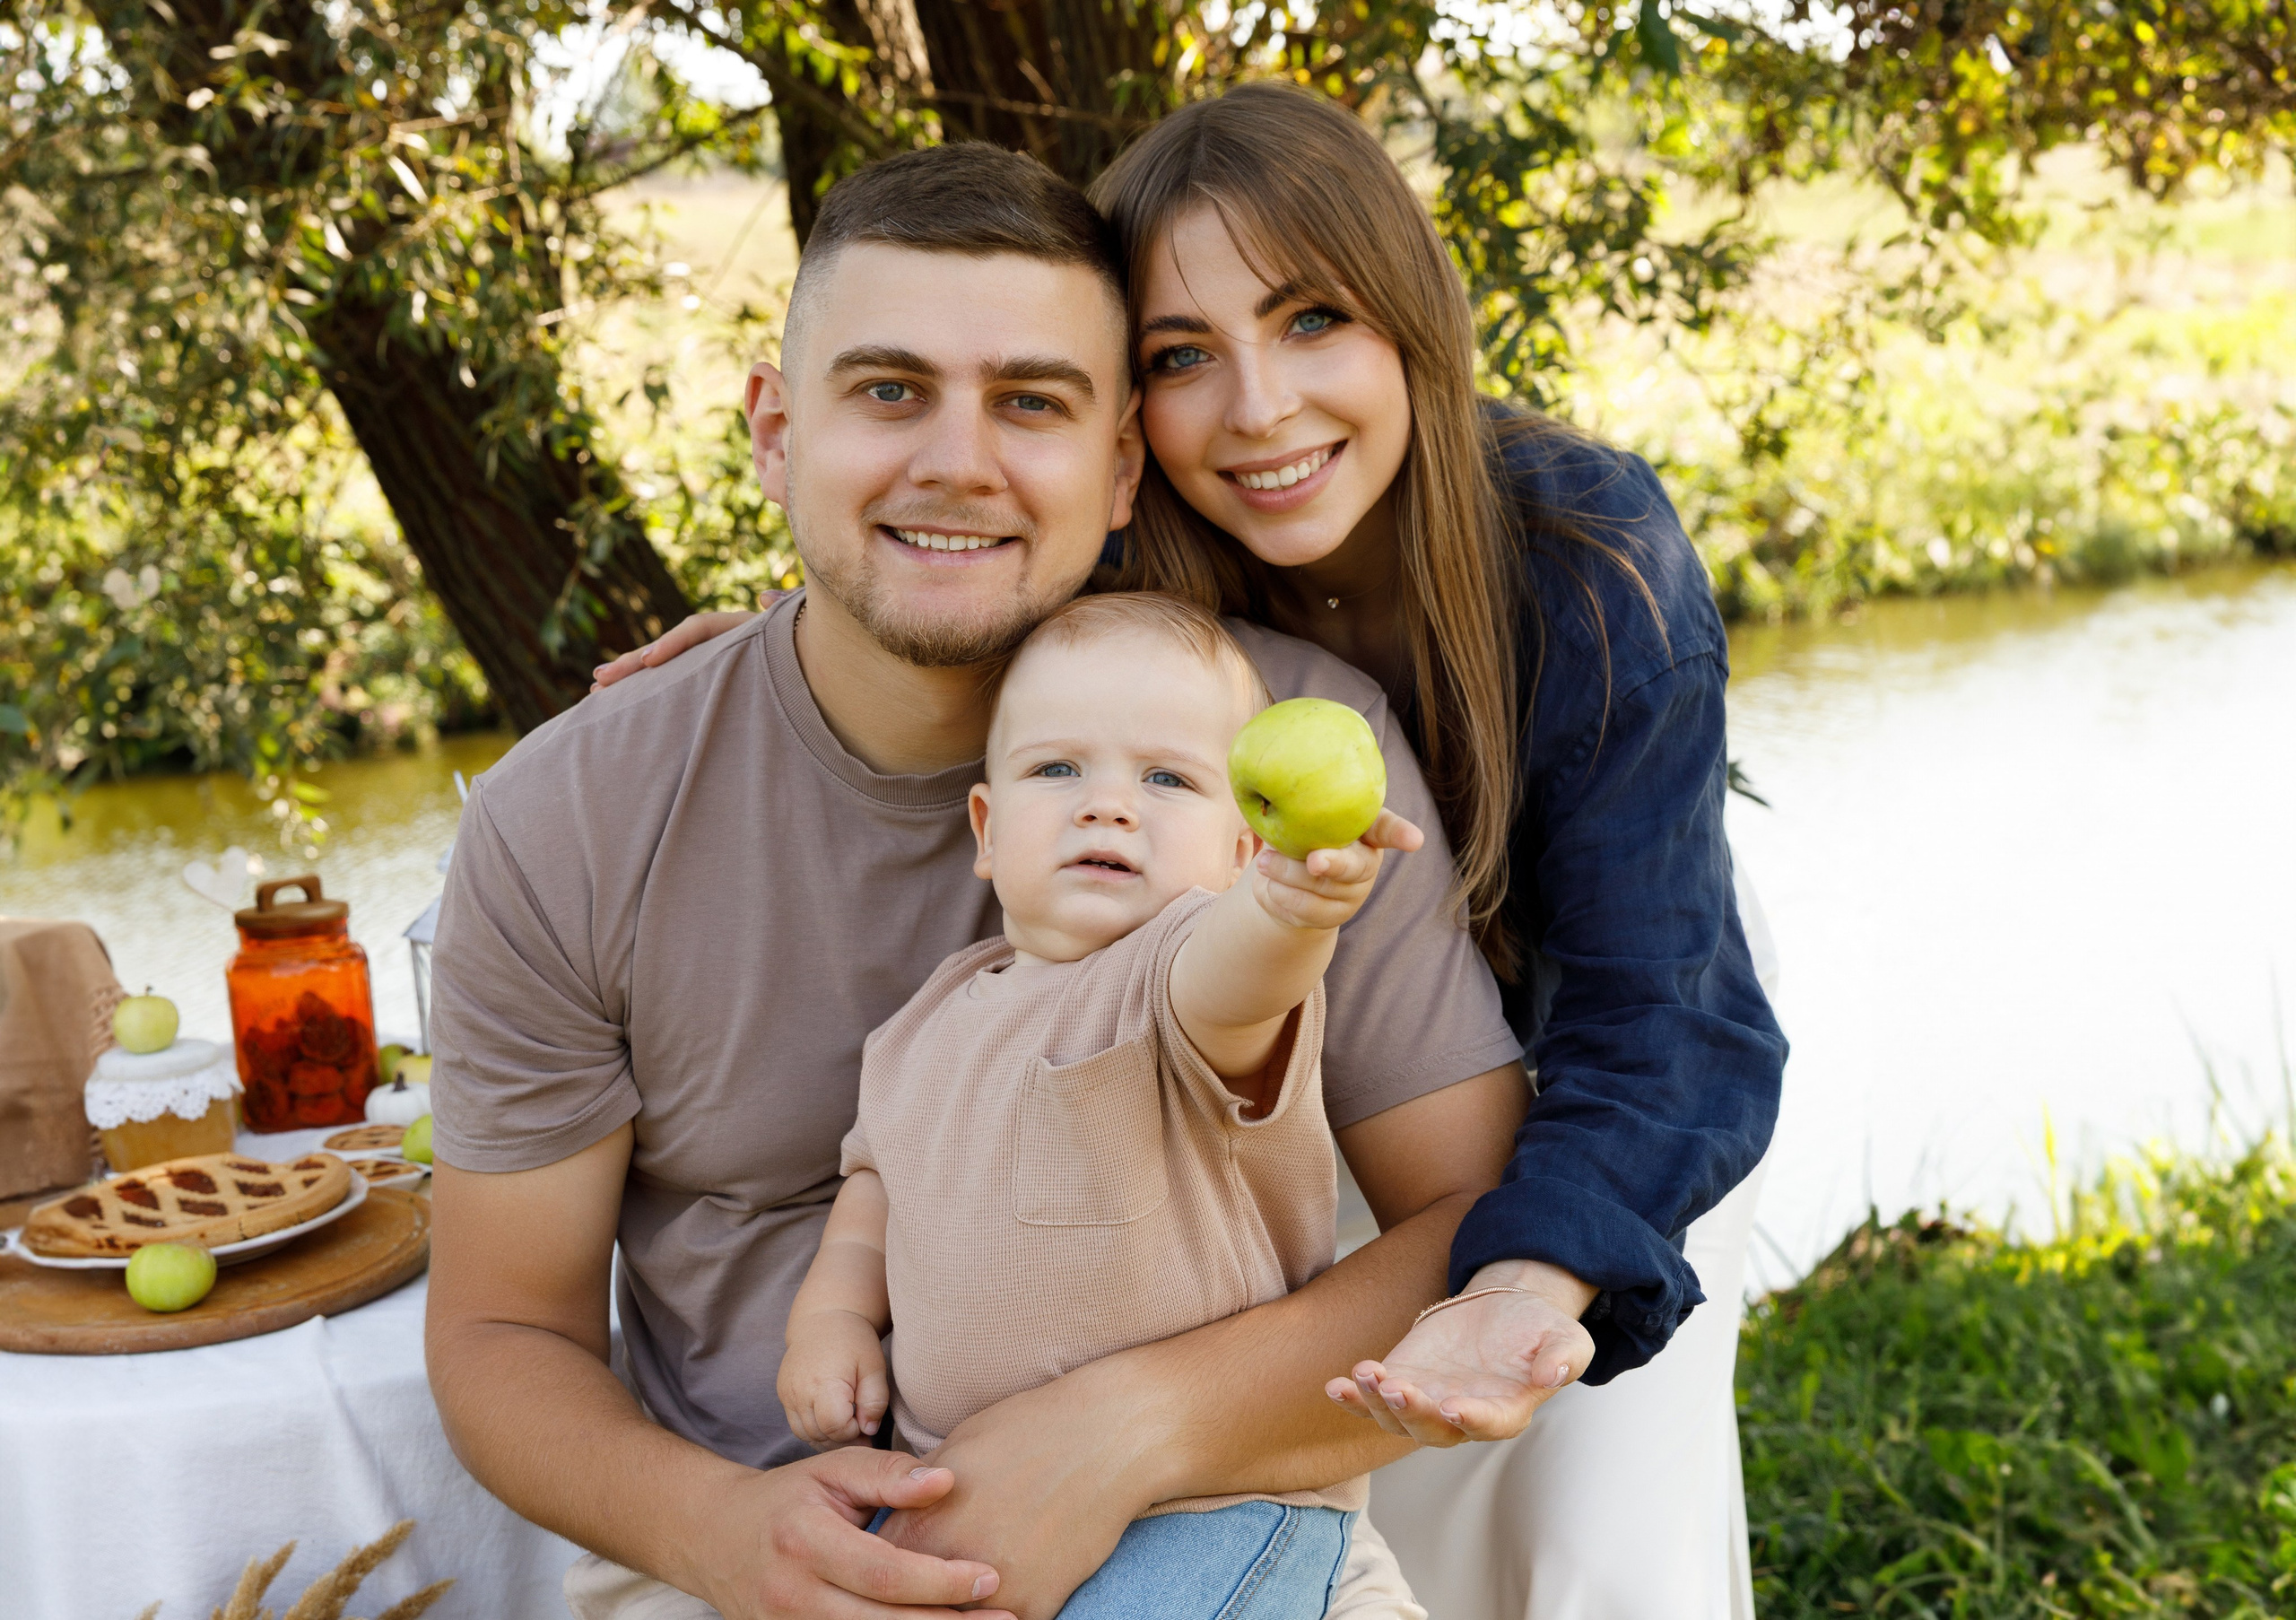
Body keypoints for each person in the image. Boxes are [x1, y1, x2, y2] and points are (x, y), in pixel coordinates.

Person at [607, 83, 1789, 1618]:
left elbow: (1663, 1008)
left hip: (1611, 1061)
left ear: (1414, 319)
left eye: (1314, 321)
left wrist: (1529, 1271)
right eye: (1181, 356)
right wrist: (780, 638)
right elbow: (951, 584)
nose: (1258, 409)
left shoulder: (1585, 555)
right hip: (1279, 1051)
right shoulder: (1134, 533)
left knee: (1582, 1533)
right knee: (1329, 1478)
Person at [427, 141, 1532, 1620]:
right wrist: (722, 1534)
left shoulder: (1279, 752)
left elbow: (1477, 1219)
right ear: (776, 432)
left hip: (1211, 1525)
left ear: (1122, 465)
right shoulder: (568, 817)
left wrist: (1130, 1432)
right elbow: (503, 1330)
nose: (958, 461)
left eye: (1031, 402)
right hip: (739, 1552)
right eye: (890, 392)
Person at [781, 590, 1425, 1618]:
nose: (1107, 805)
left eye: (1166, 779)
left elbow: (1241, 974)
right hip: (967, 1491)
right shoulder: (924, 1023)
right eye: (1056, 770)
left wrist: (1293, 913)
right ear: (986, 829)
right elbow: (875, 1189)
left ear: (1241, 850)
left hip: (1209, 1500)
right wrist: (831, 1320)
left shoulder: (1171, 979)